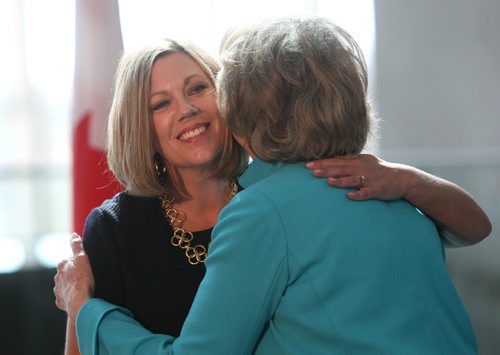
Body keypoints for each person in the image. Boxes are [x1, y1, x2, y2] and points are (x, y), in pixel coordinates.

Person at [58, 23, 489, 354]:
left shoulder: (267, 205)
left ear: (233, 102)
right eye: (160, 103)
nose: (187, 108)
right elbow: (473, 227)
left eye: (198, 88)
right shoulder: (394, 194)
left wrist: (87, 310)